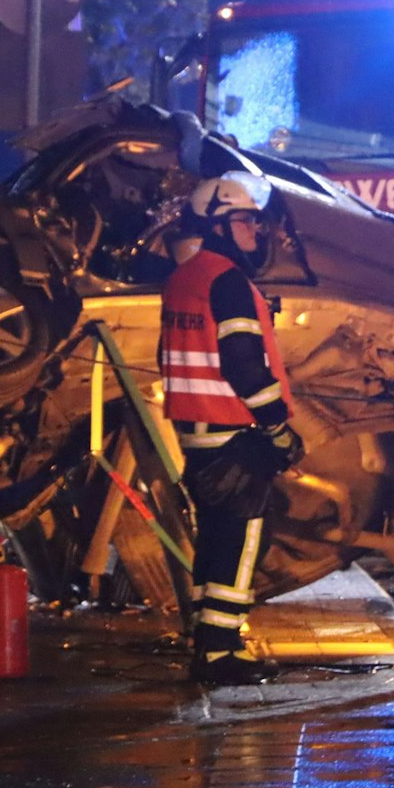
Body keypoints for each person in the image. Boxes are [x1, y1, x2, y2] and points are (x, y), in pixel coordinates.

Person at [159, 173, 307, 686]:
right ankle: (220, 653)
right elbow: (244, 364)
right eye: (246, 221)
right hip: (232, 431)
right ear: (219, 224)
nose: (256, 232)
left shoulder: (184, 278)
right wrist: (278, 429)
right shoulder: (228, 281)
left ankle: (206, 639)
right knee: (243, 540)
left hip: (197, 432)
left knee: (215, 539)